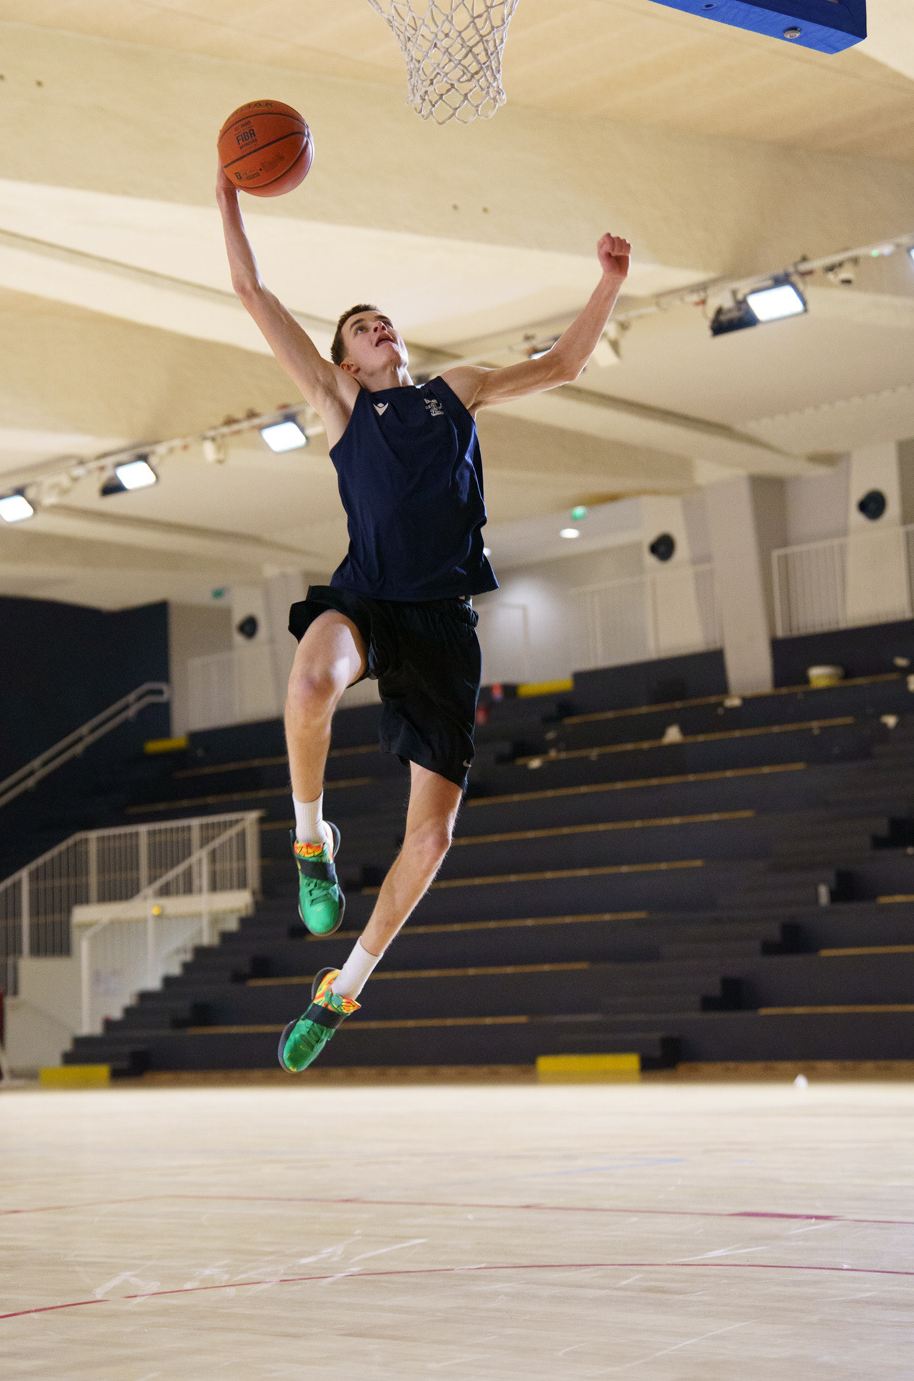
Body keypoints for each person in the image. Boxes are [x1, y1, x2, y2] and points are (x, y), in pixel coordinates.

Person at [216, 163, 631, 1072]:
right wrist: (226, 195)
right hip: (368, 598)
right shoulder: (340, 404)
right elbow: (252, 292)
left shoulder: (458, 387)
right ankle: (310, 839)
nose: (379, 327)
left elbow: (561, 366)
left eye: (383, 320)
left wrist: (607, 283)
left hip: (443, 624)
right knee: (309, 684)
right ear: (345, 361)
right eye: (360, 327)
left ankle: (342, 988)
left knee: (434, 836)